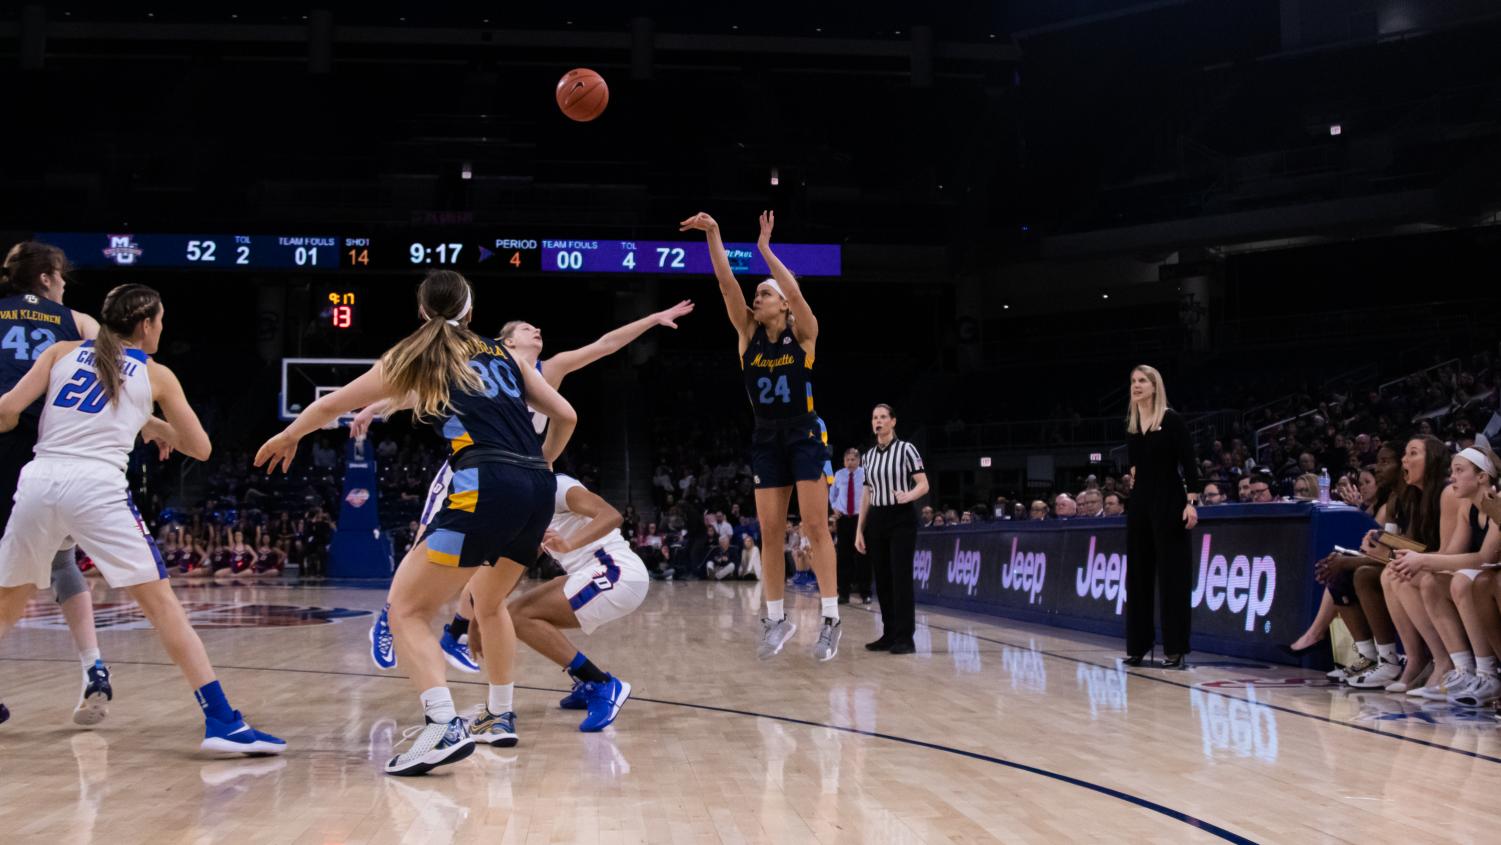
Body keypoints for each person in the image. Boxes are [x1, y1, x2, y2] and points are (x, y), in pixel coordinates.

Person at [256, 270, 575, 775]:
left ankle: (442, 724)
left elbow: (331, 403)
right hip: (535, 490)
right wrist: (543, 465)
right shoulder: (505, 354)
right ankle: (498, 714)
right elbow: (567, 415)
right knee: (489, 604)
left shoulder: (420, 353)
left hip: (483, 481)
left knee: (404, 608)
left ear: (423, 312)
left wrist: (290, 435)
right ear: (471, 312)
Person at [0, 283, 284, 754]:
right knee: (163, 608)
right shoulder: (158, 375)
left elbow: (8, 410)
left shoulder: (61, 353)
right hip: (96, 486)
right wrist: (152, 423)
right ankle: (222, 722)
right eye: (161, 320)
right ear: (146, 324)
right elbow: (200, 448)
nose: (162, 327)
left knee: (8, 602)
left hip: (39, 478)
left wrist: (142, 422)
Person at [358, 292, 693, 672]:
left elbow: (606, 344)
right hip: (468, 466)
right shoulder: (487, 365)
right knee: (425, 540)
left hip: (513, 476)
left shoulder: (550, 371)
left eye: (536, 327)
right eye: (525, 328)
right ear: (507, 342)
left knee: (493, 562)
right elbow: (418, 392)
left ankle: (456, 633)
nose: (537, 330)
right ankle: (388, 617)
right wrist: (374, 407)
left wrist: (653, 319)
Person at [681, 209, 841, 661]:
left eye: (765, 293)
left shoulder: (804, 333)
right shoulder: (747, 335)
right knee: (771, 531)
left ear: (785, 303)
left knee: (813, 527)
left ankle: (830, 619)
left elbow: (791, 288)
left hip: (805, 434)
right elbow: (726, 283)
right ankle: (775, 618)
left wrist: (766, 251)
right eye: (758, 293)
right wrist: (714, 233)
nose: (758, 296)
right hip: (766, 437)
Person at [0, 242, 143, 727]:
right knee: (61, 560)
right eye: (61, 276)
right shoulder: (76, 322)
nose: (63, 283)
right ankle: (92, 667)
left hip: (8, 435)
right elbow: (120, 367)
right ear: (46, 278)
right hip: (52, 447)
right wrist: (153, 423)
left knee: (12, 578)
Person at [492, 474, 646, 732]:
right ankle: (591, 682)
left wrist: (569, 543)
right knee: (516, 614)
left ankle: (600, 684)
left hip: (616, 571)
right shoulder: (525, 507)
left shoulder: (556, 486)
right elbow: (522, 562)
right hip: (592, 572)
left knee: (519, 617)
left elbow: (611, 515)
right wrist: (488, 608)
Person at [1386, 445, 1500, 702]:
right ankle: (1462, 669)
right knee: (1430, 582)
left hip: (1489, 575)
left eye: (1459, 471)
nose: (1453, 477)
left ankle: (1488, 674)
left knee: (1459, 582)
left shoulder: (1497, 504)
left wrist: (1424, 559)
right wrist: (1415, 560)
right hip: (1484, 575)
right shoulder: (1466, 507)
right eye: (1452, 471)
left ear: (1482, 476)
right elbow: (1452, 554)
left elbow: (1484, 558)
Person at [1122, 365, 1199, 669]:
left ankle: (1175, 648)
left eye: (1142, 381)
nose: (1136, 386)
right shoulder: (1132, 423)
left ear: (1155, 386)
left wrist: (1192, 502)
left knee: (1172, 576)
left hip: (1169, 499)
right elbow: (1135, 467)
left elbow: (1189, 464)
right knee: (1138, 576)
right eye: (1133, 382)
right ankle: (1138, 646)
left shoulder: (1172, 420)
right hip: (1140, 501)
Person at [856, 404, 929, 655]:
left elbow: (924, 484)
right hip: (877, 518)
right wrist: (859, 529)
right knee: (883, 579)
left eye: (883, 417)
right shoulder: (867, 457)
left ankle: (905, 637)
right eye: (875, 417)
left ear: (893, 422)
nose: (878, 421)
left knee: (900, 578)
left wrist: (908, 495)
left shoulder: (907, 449)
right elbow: (867, 494)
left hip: (901, 517)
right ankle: (888, 634)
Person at [829, 448, 868, 604]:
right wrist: (834, 507)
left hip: (861, 519)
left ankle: (865, 593)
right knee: (843, 558)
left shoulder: (865, 473)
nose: (850, 463)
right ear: (844, 461)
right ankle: (843, 593)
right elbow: (832, 494)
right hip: (844, 519)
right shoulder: (839, 474)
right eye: (847, 460)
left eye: (853, 459)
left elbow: (870, 493)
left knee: (863, 556)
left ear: (858, 460)